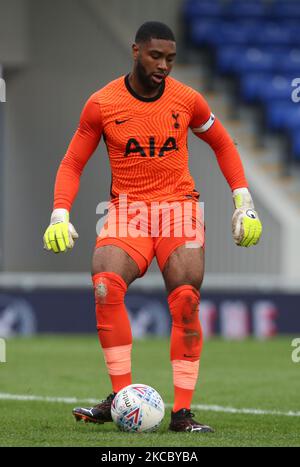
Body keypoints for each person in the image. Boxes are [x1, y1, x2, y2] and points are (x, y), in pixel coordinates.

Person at [43, 21, 262, 433]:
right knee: (105, 283)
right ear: (135, 51)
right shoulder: (102, 103)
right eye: (156, 56)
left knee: (186, 300)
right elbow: (72, 162)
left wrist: (243, 202)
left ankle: (181, 414)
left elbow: (223, 143)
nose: (164, 66)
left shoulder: (187, 100)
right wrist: (60, 213)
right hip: (128, 212)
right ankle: (121, 398)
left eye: (171, 59)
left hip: (179, 210)